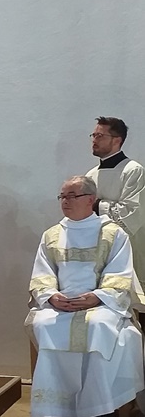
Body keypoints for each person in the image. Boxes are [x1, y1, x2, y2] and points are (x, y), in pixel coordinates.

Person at [25, 175, 144, 417]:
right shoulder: (52, 235)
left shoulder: (113, 233)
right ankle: (54, 406)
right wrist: (51, 296)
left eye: (72, 196)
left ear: (90, 199)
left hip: (101, 303)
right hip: (61, 303)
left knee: (97, 326)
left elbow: (120, 273)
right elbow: (42, 273)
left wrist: (96, 296)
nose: (65, 201)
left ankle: (93, 408)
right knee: (46, 324)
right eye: (62, 196)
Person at [86, 117, 145, 289]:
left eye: (99, 136)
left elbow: (131, 214)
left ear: (117, 140)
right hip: (96, 250)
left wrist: (97, 205)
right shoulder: (90, 175)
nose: (94, 140)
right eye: (93, 135)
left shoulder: (133, 171)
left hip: (127, 250)